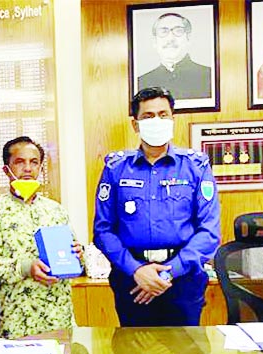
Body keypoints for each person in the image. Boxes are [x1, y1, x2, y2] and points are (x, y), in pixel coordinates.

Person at [93, 87, 220, 327]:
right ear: (135, 124)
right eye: (148, 116)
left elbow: (209, 231)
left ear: (173, 119)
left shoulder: (195, 166)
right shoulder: (115, 168)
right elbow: (103, 231)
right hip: (131, 280)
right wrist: (137, 271)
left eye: (163, 114)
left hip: (183, 279)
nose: (157, 121)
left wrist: (166, 273)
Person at [0, 136, 83, 339]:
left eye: (34, 162)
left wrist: (79, 254)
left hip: (59, 318)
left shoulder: (55, 210)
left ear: (41, 168)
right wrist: (26, 267)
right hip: (17, 321)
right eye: (19, 162)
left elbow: (75, 256)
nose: (27, 168)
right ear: (6, 169)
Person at [137, 13, 212, 100]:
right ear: (154, 41)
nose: (170, 38)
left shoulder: (208, 76)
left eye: (178, 31)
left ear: (189, 38)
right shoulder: (142, 82)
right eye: (163, 32)